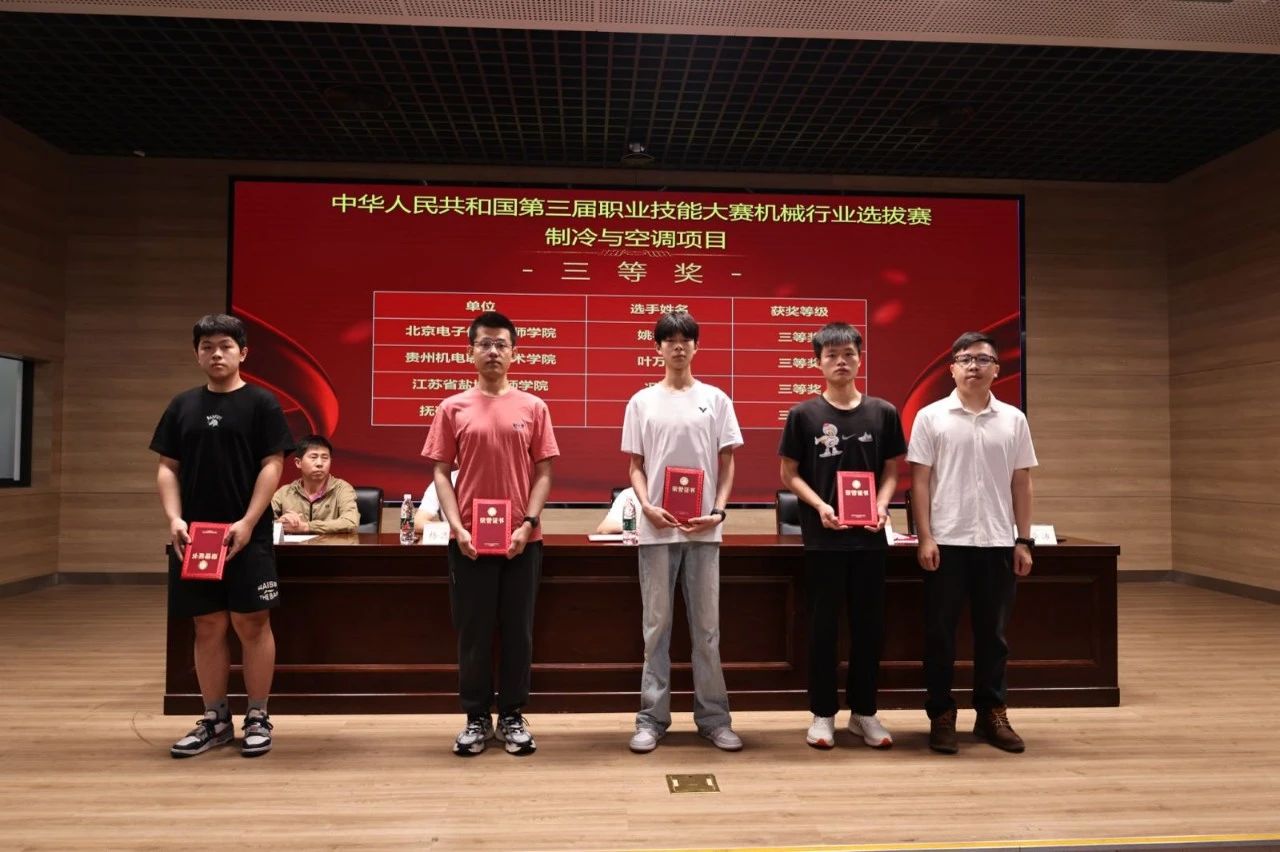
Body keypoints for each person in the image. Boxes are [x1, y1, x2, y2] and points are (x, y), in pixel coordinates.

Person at [150, 314, 294, 758]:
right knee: (207, 624)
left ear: (243, 353)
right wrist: (174, 518)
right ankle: (215, 719)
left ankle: (257, 715)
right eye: (207, 346)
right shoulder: (182, 406)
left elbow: (273, 464)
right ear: (197, 354)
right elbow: (167, 467)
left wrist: (248, 521)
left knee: (252, 622)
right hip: (196, 537)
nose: (217, 354)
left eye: (226, 346)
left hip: (248, 534)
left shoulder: (262, 403)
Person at [421, 311, 559, 757]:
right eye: (484, 344)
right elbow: (441, 472)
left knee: (518, 632)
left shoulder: (534, 407)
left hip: (523, 542)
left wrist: (528, 523)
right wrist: (457, 526)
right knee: (474, 633)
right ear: (471, 352)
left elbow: (544, 473)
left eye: (501, 344)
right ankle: (476, 718)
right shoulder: (452, 407)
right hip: (469, 544)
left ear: (514, 352)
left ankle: (513, 716)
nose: (493, 351)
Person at [907, 331, 1038, 754]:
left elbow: (1022, 482)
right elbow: (920, 482)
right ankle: (941, 715)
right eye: (965, 359)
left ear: (997, 369)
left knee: (993, 637)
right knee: (940, 636)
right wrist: (925, 536)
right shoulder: (930, 417)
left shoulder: (1013, 419)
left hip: (998, 543)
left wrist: (1023, 540)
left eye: (983, 359)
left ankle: (991, 714)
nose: (973, 366)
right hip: (946, 543)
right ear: (952, 369)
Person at [778, 322, 906, 750]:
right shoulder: (803, 415)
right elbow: (789, 474)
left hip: (870, 539)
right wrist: (820, 506)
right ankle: (822, 714)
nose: (841, 361)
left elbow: (892, 471)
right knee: (823, 629)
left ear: (859, 358)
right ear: (818, 362)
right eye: (831, 355)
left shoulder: (883, 412)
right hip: (824, 540)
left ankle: (864, 713)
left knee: (870, 628)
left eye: (848, 353)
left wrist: (882, 504)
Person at [621, 311, 744, 753]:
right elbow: (635, 466)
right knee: (656, 629)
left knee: (707, 631)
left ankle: (714, 719)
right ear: (657, 348)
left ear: (696, 346)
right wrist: (647, 506)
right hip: (656, 531)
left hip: (703, 531)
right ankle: (651, 720)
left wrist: (719, 511)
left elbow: (727, 462)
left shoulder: (716, 399)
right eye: (669, 339)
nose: (677, 346)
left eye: (685, 339)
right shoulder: (641, 401)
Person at [271, 435, 359, 534]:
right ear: (298, 463)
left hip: (330, 544)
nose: (319, 463)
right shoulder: (284, 492)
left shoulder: (342, 488)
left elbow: (350, 522)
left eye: (325, 458)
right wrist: (280, 523)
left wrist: (307, 527)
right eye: (313, 457)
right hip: (294, 545)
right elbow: (263, 520)